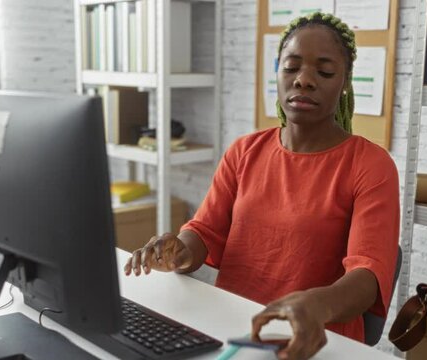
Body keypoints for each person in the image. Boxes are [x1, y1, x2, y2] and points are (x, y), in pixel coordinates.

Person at [124, 12, 399, 360]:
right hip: (233, 328)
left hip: (315, 341)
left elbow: (368, 276)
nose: (304, 80)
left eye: (324, 71)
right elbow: (205, 231)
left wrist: (318, 304)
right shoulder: (244, 151)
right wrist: (178, 250)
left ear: (345, 81)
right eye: (291, 67)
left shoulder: (370, 165)